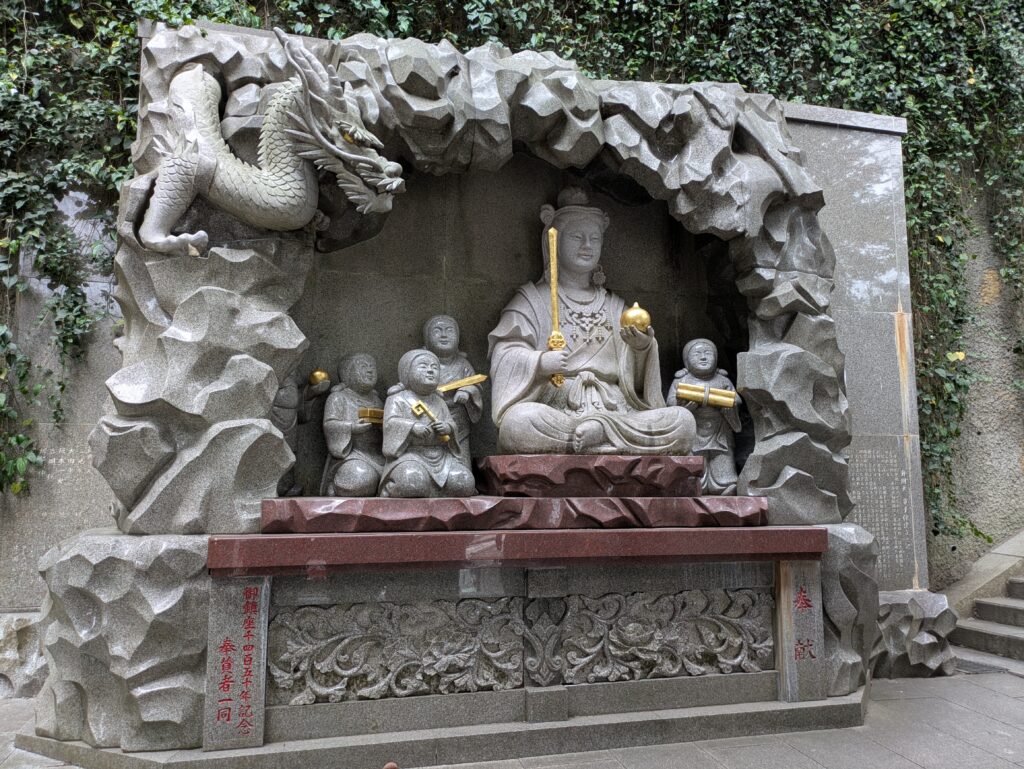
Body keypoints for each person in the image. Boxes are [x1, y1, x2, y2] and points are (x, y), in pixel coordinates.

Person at [487, 186, 694, 455]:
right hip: (558, 408)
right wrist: (540, 362)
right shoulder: (531, 301)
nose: (587, 245)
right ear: (554, 242)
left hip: (616, 408)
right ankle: (601, 438)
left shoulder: (615, 307)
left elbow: (638, 388)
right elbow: (505, 355)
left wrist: (642, 349)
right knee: (517, 424)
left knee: (683, 422)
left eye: (594, 239)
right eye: (577, 237)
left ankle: (600, 432)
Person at [378, 349, 476, 497]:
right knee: (412, 482)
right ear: (407, 372)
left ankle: (432, 490)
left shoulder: (439, 401)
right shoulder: (397, 399)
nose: (430, 371)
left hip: (441, 457)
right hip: (410, 456)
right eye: (423, 366)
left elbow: (451, 424)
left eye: (434, 367)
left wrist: (448, 428)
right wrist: (412, 427)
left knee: (464, 482)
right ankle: (390, 488)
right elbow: (389, 424)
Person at [667, 339, 742, 495]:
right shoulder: (681, 381)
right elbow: (670, 404)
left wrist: (727, 405)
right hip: (693, 428)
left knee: (722, 456)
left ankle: (724, 484)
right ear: (687, 360)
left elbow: (736, 399)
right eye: (697, 354)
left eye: (708, 353)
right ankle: (695, 484)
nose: (703, 357)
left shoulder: (723, 380)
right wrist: (687, 407)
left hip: (719, 428)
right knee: (694, 456)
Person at [422, 314, 483, 468]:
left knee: (461, 464)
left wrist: (467, 391)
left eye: (449, 331)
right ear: (427, 338)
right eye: (437, 331)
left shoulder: (463, 364)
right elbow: (410, 384)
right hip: (430, 418)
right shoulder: (422, 364)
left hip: (458, 423)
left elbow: (475, 384)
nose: (444, 335)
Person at [320, 353, 385, 496]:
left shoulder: (377, 399)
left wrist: (382, 427)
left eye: (372, 367)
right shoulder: (338, 397)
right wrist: (352, 428)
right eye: (363, 367)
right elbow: (329, 425)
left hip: (378, 455)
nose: (370, 370)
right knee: (360, 479)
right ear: (348, 372)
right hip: (353, 455)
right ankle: (335, 485)